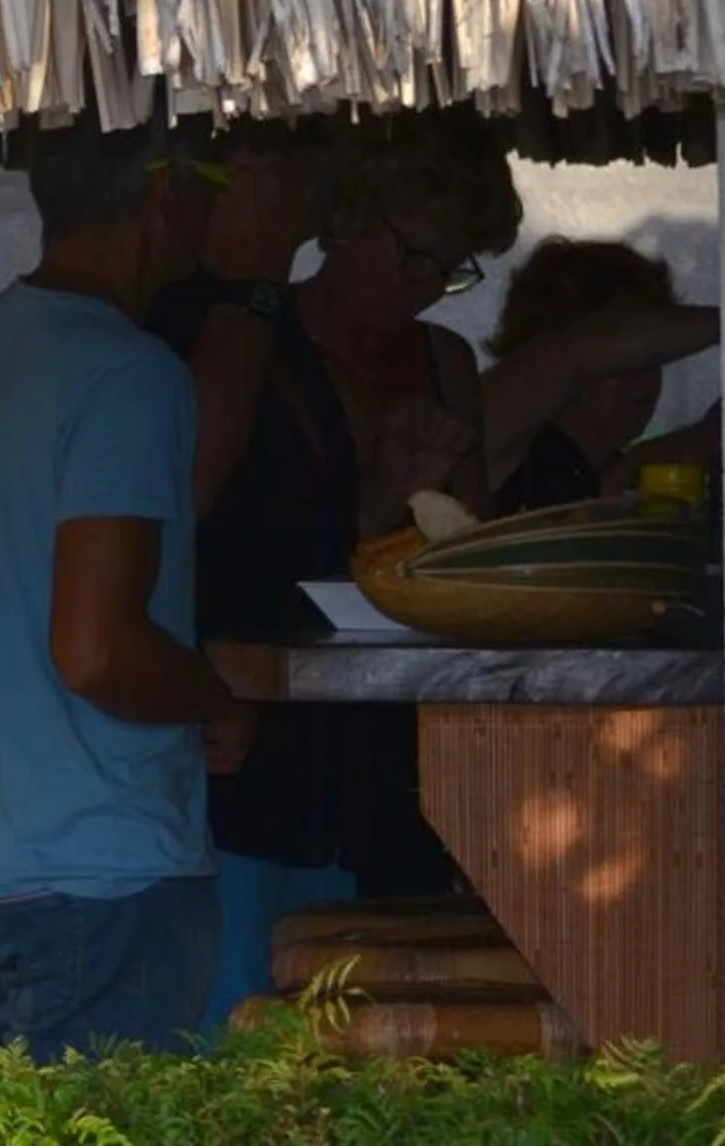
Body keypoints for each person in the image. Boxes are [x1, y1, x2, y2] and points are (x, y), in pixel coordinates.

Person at [148, 123, 522, 1028]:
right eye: (415, 254)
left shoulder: (442, 362)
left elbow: (468, 567)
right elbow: (197, 518)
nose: (429, 284)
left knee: (386, 1020)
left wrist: (400, 504)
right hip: (250, 728)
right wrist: (375, 501)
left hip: (392, 743)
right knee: (243, 1012)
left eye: (455, 268)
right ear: (350, 217)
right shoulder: (236, 331)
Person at [0, 115, 248, 1060]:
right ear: (163, 194)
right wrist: (215, 700)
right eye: (213, 185)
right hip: (103, 871)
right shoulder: (128, 372)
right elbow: (97, 648)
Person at [479, 239, 719, 513]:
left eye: (656, 355)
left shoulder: (615, 471)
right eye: (625, 355)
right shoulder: (496, 441)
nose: (644, 374)